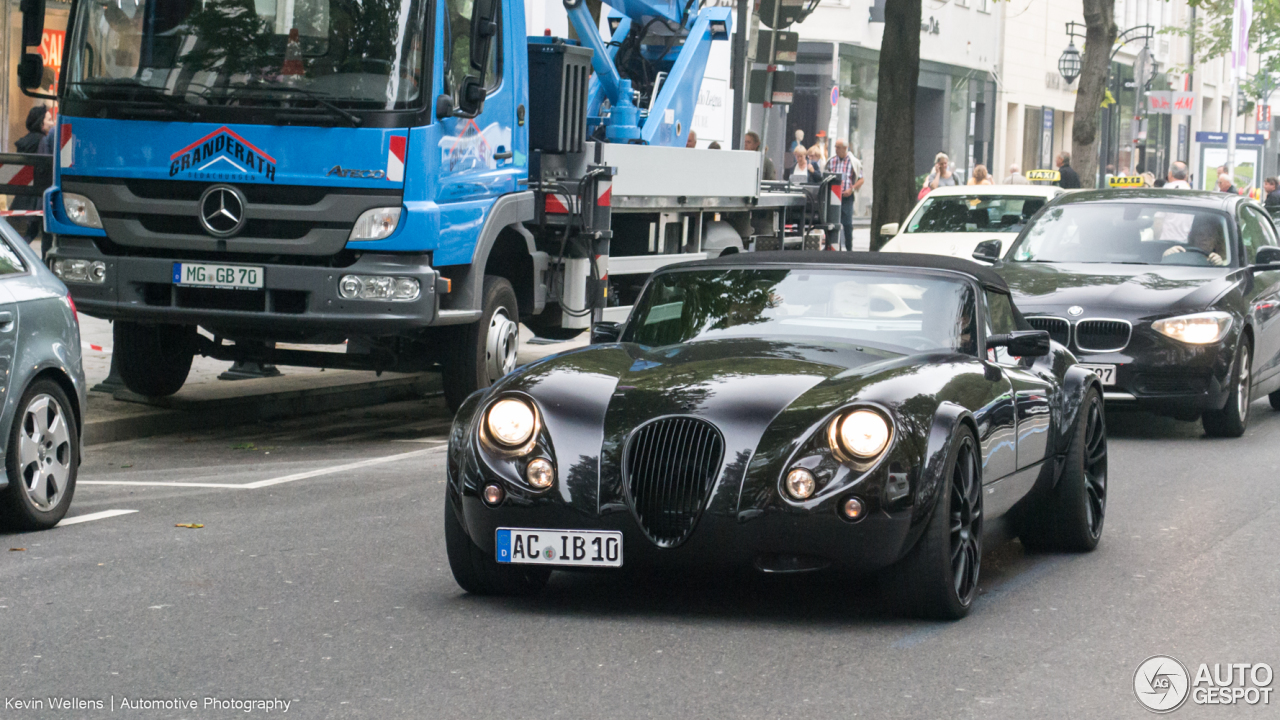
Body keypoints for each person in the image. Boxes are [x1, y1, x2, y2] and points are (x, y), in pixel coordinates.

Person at [12, 105, 55, 255]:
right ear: (40, 123)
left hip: (23, 197)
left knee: (28, 233)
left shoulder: (25, 141)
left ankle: (14, 256)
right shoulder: (43, 141)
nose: (52, 123)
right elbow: (44, 169)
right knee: (44, 233)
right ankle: (45, 265)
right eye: (49, 120)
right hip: (38, 197)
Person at [827, 139, 860, 251]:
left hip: (846, 197)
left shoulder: (853, 162)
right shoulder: (831, 161)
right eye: (835, 147)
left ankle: (849, 248)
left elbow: (861, 179)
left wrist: (852, 189)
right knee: (833, 223)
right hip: (833, 197)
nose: (836, 149)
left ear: (845, 148)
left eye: (838, 147)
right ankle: (834, 247)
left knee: (847, 224)